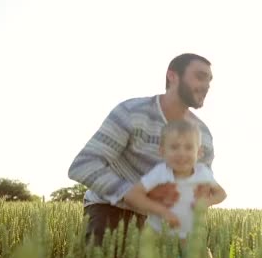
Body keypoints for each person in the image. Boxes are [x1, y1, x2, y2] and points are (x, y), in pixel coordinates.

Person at [67, 53, 217, 246]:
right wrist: (135, 195)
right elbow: (84, 165)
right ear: (172, 76)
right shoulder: (132, 113)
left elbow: (202, 188)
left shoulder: (202, 135)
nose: (207, 86)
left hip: (163, 218)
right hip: (111, 207)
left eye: (209, 80)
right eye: (200, 76)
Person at [123, 119, 227, 245]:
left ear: (199, 152)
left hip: (189, 238)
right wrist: (163, 211)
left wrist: (206, 202)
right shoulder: (160, 173)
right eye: (174, 147)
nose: (181, 153)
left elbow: (221, 194)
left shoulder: (203, 173)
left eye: (188, 147)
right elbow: (132, 196)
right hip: (157, 235)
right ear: (162, 151)